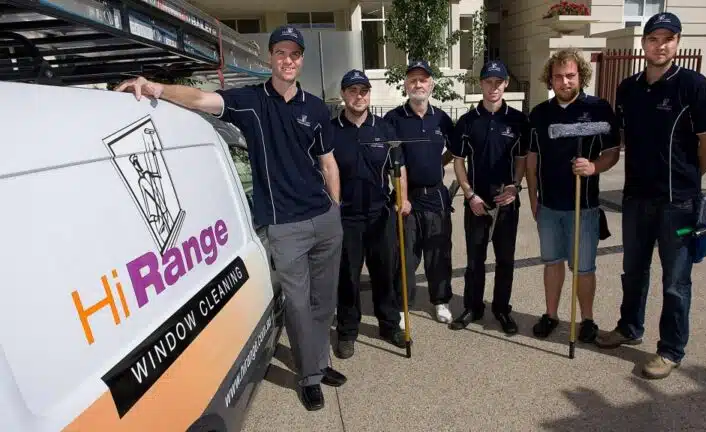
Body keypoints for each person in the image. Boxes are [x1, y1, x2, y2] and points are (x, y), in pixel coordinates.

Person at [115, 25, 347, 411]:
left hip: (325, 220)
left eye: (294, 54)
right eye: (280, 53)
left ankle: (319, 362)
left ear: (301, 60)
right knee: (297, 304)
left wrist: (335, 209)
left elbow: (328, 162)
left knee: (323, 302)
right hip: (286, 226)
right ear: (271, 58)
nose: (287, 60)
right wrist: (155, 88)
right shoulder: (251, 101)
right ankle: (308, 376)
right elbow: (200, 98)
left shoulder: (316, 108)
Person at [594, 12, 706, 380]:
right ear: (644, 43)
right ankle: (629, 327)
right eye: (654, 38)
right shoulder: (628, 89)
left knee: (675, 281)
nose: (660, 45)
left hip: (678, 203)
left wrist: (690, 178)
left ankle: (670, 349)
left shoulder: (694, 86)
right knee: (633, 271)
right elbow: (619, 140)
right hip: (636, 199)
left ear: (677, 43)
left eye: (668, 38)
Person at [525, 48, 621, 343]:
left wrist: (593, 167)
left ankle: (587, 319)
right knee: (552, 262)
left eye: (570, 76)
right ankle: (551, 315)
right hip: (549, 206)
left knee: (583, 268)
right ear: (550, 80)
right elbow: (532, 159)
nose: (564, 82)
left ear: (581, 75)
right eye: (558, 77)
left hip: (584, 205)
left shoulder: (599, 109)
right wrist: (533, 199)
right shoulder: (540, 114)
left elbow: (612, 152)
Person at [447, 60, 529, 334]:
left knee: (505, 260)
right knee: (475, 260)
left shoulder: (518, 120)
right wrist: (469, 194)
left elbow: (522, 159)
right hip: (477, 202)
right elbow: (458, 162)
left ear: (506, 83)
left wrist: (515, 186)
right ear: (481, 84)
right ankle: (473, 307)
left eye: (498, 82)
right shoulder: (468, 121)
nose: (493, 87)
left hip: (507, 202)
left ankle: (502, 309)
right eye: (488, 82)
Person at [330, 69, 408, 359]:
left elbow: (398, 168)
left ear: (369, 95)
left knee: (384, 273)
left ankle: (389, 325)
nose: (358, 96)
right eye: (352, 91)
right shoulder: (331, 130)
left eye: (363, 91)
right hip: (346, 217)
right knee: (348, 277)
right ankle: (347, 331)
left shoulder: (384, 129)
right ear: (343, 94)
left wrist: (403, 198)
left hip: (380, 215)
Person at [383, 60, 456, 326]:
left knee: (438, 253)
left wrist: (439, 164)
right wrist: (401, 197)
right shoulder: (393, 119)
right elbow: (392, 161)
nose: (418, 84)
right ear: (405, 85)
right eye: (413, 80)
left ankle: (441, 301)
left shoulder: (441, 118)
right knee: (406, 255)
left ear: (431, 85)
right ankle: (403, 305)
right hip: (408, 198)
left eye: (423, 80)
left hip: (436, 197)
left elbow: (455, 149)